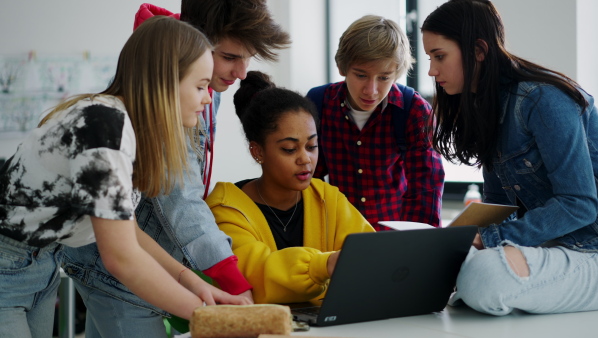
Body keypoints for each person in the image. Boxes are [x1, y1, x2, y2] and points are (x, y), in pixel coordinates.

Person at [0, 16, 248, 338]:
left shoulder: (124, 129)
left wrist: (192, 282)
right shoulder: (103, 125)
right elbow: (121, 258)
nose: (206, 99)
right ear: (165, 81)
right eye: (200, 86)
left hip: (43, 264)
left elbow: (127, 229)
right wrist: (205, 313)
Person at [61, 0, 290, 336]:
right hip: (116, 265)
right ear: (193, 47)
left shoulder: (205, 86)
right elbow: (179, 199)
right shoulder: (152, 100)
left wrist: (193, 279)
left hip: (141, 255)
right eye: (229, 57)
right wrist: (228, 280)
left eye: (248, 57)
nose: (242, 72)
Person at [421, 0, 598, 316]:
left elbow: (579, 204)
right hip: (552, 246)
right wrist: (452, 240)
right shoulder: (487, 109)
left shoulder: (542, 100)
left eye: (439, 56)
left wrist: (486, 239)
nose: (432, 71)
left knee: (484, 277)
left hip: (590, 247)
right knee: (450, 268)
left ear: (478, 50)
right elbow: (498, 205)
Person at [205, 71, 375, 305]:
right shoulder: (226, 209)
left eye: (312, 145)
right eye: (289, 149)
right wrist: (324, 265)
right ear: (258, 151)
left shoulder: (327, 198)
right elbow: (254, 276)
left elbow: (368, 254)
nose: (305, 159)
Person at [306, 15, 445, 230]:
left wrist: (417, 247)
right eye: (361, 75)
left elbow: (426, 188)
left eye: (383, 78)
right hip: (335, 235)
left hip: (392, 236)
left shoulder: (413, 110)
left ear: (397, 74)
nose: (371, 90)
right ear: (343, 68)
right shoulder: (318, 103)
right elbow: (307, 179)